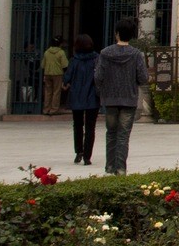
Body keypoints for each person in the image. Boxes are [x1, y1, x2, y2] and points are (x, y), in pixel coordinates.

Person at [96, 22, 149, 175]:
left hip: (110, 99)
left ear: (117, 33)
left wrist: (103, 89)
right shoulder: (136, 54)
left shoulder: (105, 53)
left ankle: (109, 167)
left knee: (111, 133)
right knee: (123, 135)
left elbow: (98, 76)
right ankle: (121, 168)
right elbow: (143, 77)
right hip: (129, 99)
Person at [64, 34, 101, 165]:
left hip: (77, 96)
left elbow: (67, 77)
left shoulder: (74, 60)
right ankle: (87, 156)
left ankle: (78, 151)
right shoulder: (97, 59)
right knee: (91, 127)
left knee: (78, 125)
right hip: (92, 96)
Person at [42, 40, 70, 115]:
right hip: (58, 74)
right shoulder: (61, 52)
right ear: (60, 44)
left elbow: (43, 65)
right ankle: (53, 109)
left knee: (47, 92)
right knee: (56, 92)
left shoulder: (46, 52)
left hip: (47, 73)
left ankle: (46, 109)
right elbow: (65, 65)